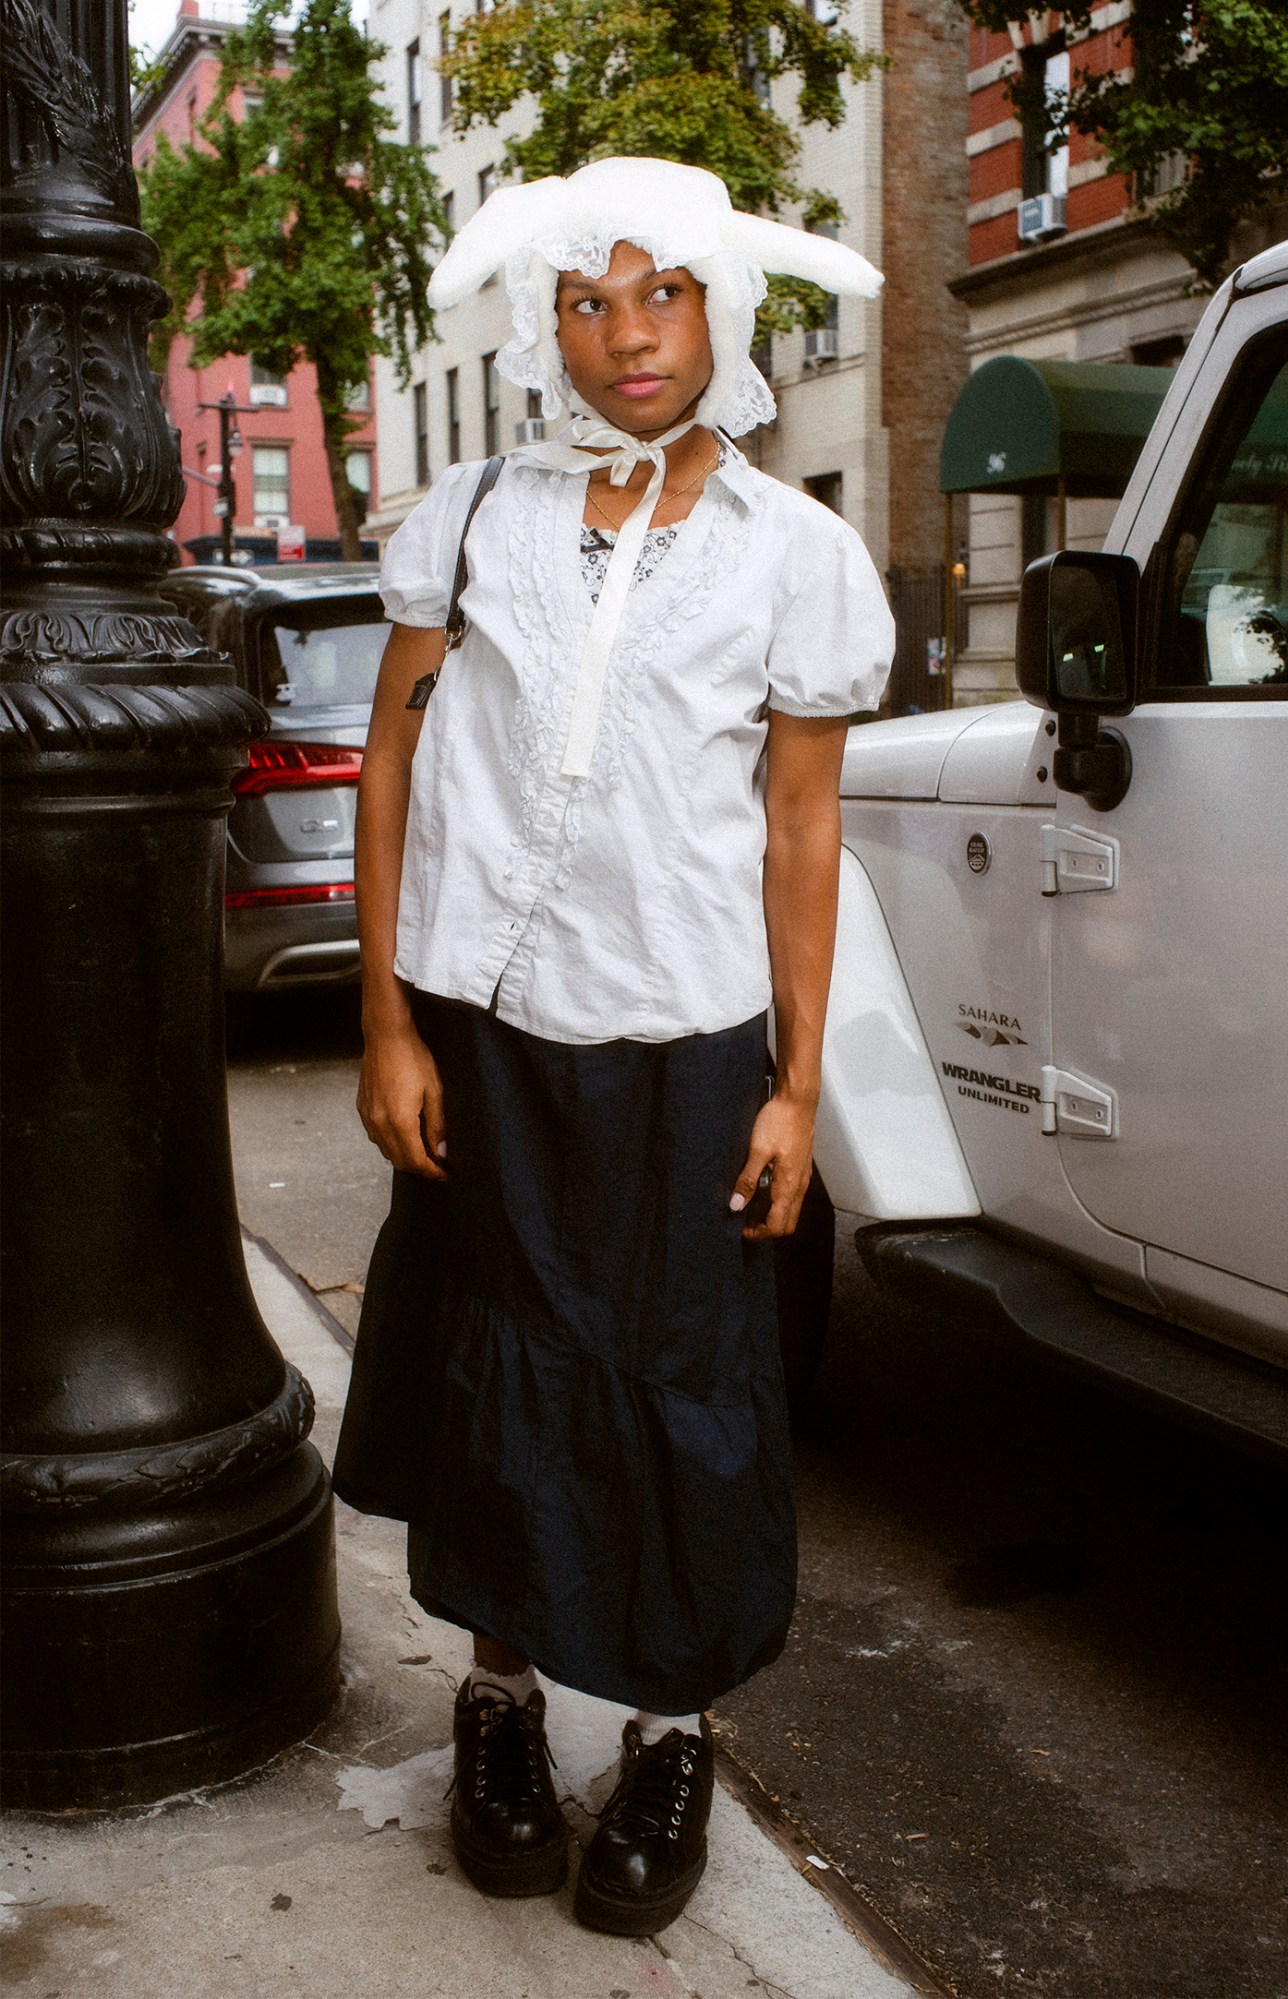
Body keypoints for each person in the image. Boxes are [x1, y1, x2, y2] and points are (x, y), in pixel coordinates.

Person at [335, 156, 894, 1937]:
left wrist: (798, 1086)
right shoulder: (474, 516)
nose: (623, 334)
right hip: (486, 1031)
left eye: (657, 296)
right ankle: (497, 1707)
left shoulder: (795, 556)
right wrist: (384, 1021)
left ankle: (668, 1734)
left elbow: (801, 832)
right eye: (587, 301)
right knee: (499, 1365)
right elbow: (395, 770)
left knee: (680, 1389)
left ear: (717, 311)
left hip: (685, 1041)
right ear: (544, 326)